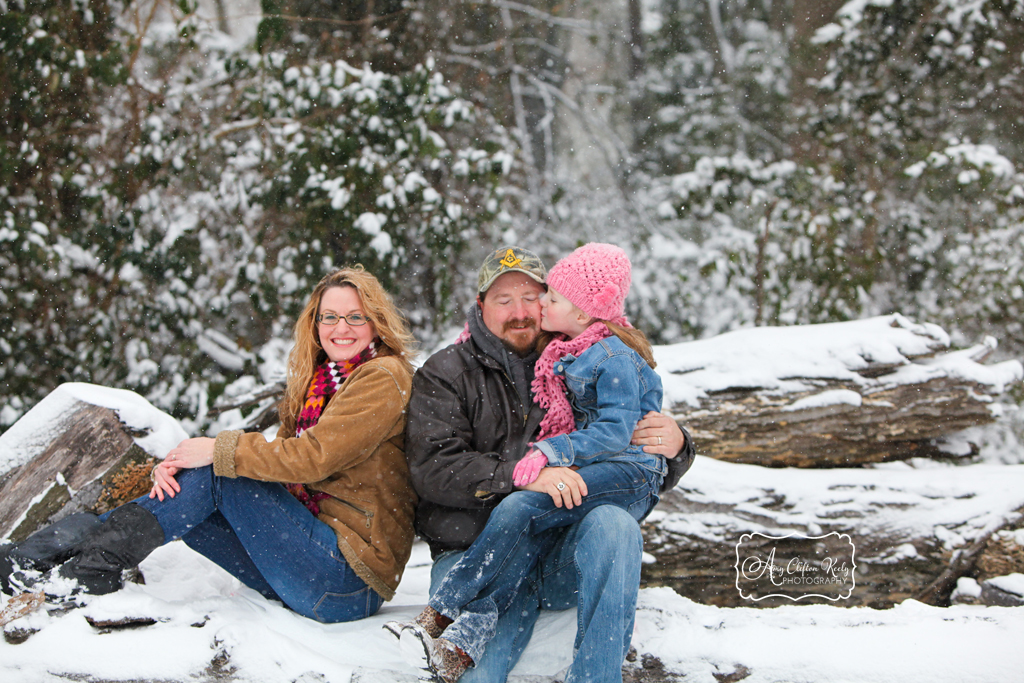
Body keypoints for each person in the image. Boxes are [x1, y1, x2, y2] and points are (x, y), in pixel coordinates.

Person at [1, 266, 418, 625]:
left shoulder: (382, 376)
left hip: (346, 582)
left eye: (354, 317)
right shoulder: (322, 381)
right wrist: (181, 464)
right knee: (190, 489)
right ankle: (54, 560)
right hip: (307, 566)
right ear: (315, 323)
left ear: (376, 322)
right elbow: (282, 464)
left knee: (220, 474)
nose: (340, 329)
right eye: (329, 317)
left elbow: (311, 458)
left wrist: (215, 451)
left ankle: (84, 567)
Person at [404, 246, 695, 683]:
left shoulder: (578, 358)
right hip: (476, 554)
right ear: (480, 305)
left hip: (557, 554)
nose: (521, 312)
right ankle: (454, 625)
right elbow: (433, 468)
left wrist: (678, 447)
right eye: (504, 300)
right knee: (480, 675)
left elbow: (622, 453)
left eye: (532, 297)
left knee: (615, 526)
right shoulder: (446, 372)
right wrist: (526, 476)